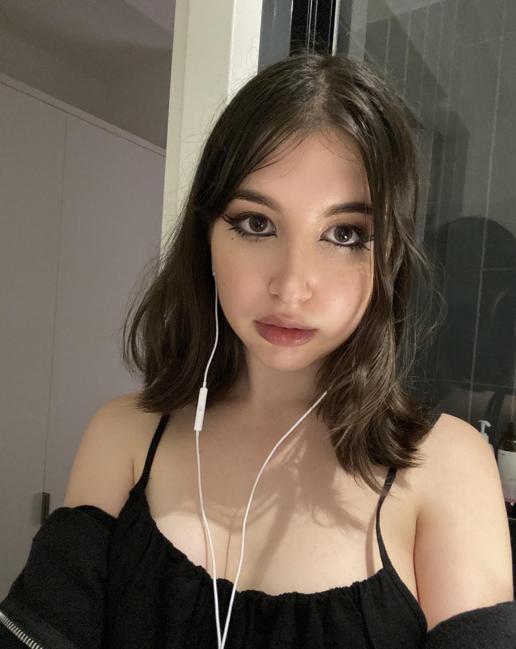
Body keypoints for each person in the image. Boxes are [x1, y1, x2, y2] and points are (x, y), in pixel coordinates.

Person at [0, 51, 514, 649]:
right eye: (256, 224)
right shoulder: (125, 437)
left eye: (344, 234)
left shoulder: (445, 468)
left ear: (389, 256)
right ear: (206, 238)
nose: (291, 287)